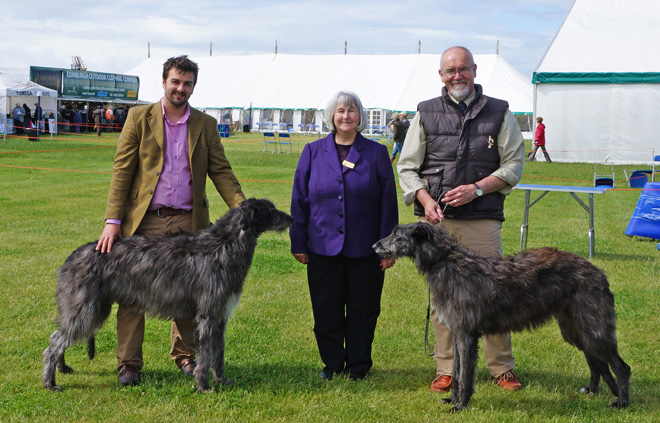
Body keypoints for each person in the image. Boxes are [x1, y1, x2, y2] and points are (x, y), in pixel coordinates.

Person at [95, 55, 245, 387]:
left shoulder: (204, 124)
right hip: (145, 222)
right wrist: (112, 220)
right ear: (163, 82)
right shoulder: (138, 117)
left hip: (190, 225)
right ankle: (129, 364)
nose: (181, 88)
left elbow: (221, 170)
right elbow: (122, 171)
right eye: (175, 82)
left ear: (193, 86)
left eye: (187, 83)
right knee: (133, 292)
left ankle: (185, 356)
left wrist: (241, 207)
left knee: (192, 294)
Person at [397, 46, 526, 393]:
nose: (457, 76)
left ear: (475, 70)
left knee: (496, 295)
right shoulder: (425, 113)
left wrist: (478, 189)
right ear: (441, 75)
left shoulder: (500, 112)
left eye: (463, 69)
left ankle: (501, 367)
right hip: (438, 224)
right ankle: (446, 367)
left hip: (482, 219)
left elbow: (514, 165)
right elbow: (407, 167)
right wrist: (424, 199)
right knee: (444, 299)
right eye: (450, 70)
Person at [290, 90, 398, 381]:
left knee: (364, 311)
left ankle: (359, 365)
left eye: (351, 111)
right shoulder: (312, 152)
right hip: (322, 248)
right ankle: (333, 364)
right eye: (340, 111)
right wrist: (298, 242)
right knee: (326, 311)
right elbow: (299, 200)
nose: (346, 116)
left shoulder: (376, 154)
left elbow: (388, 202)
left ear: (360, 117)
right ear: (332, 117)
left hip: (367, 250)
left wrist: (389, 248)